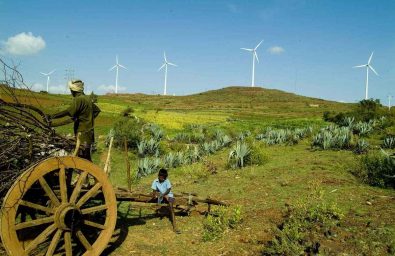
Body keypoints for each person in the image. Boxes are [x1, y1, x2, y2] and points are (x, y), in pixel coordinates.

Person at [47, 79, 100, 161]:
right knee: (86, 157)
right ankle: (90, 173)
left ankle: (92, 173)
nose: (70, 92)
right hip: (89, 132)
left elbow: (69, 112)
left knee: (84, 158)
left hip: (82, 133)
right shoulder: (87, 98)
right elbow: (97, 110)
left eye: (70, 90)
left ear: (73, 90)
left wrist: (53, 116)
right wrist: (87, 118)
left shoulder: (78, 99)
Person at [151, 168, 179, 233]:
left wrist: (164, 195)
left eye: (164, 178)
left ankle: (175, 226)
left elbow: (169, 190)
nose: (163, 179)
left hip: (169, 195)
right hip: (160, 195)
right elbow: (154, 191)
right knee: (158, 200)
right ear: (159, 176)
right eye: (162, 177)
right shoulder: (155, 181)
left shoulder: (167, 181)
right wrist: (155, 195)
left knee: (171, 207)